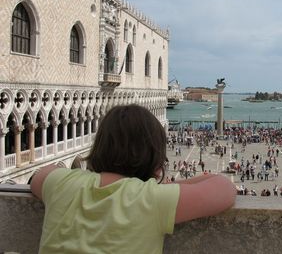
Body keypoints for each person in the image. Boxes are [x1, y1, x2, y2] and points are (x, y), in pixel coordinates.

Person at [31, 105, 236, 254]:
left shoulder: (63, 184)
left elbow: (39, 176)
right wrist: (164, 187)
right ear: (153, 155)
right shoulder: (151, 198)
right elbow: (225, 188)